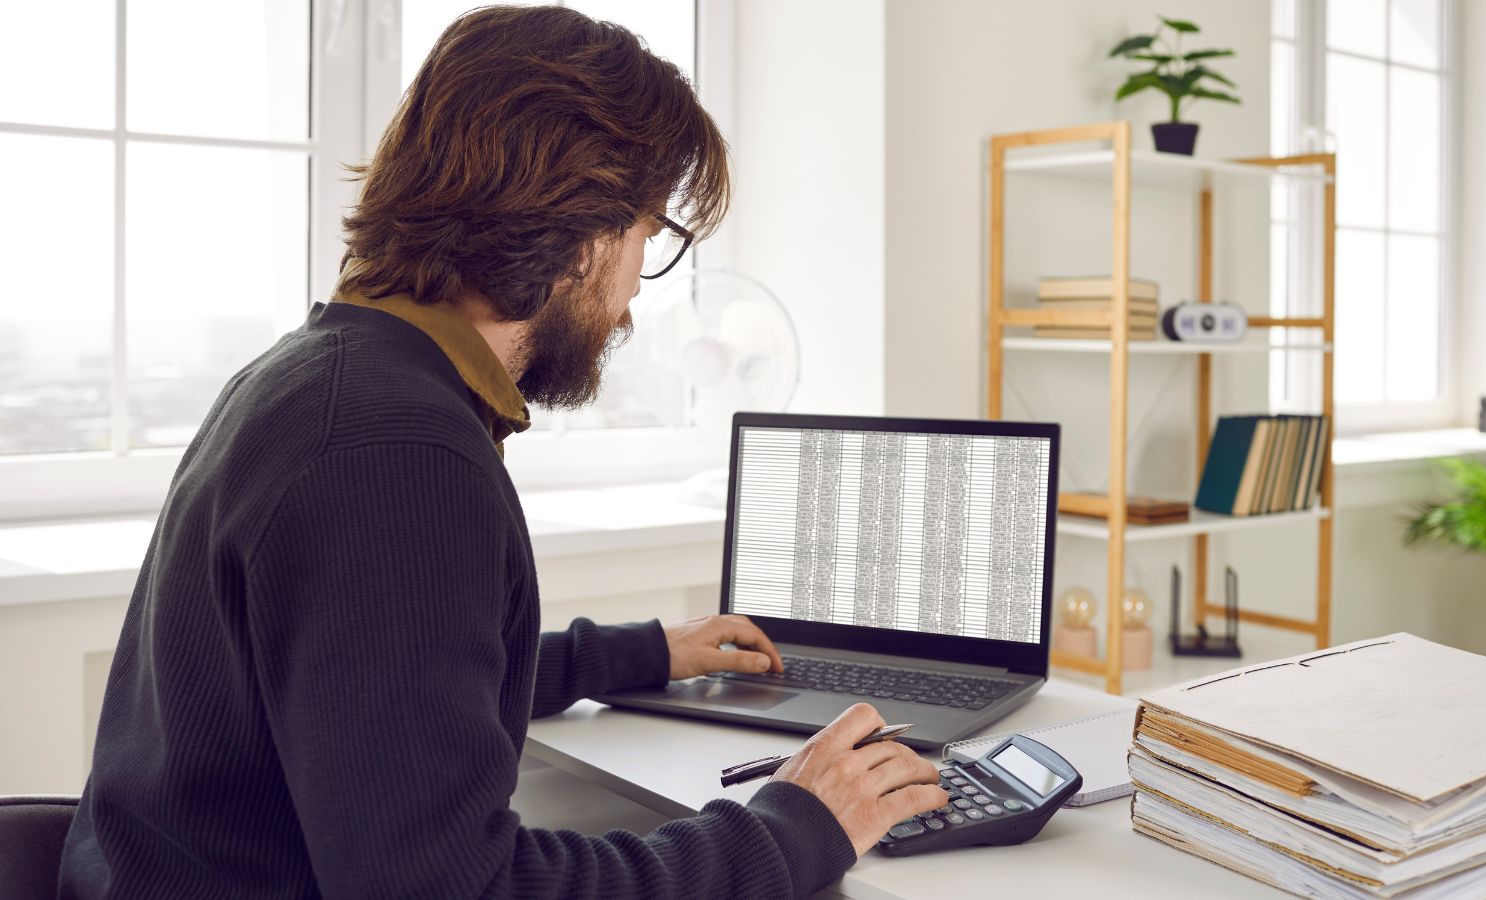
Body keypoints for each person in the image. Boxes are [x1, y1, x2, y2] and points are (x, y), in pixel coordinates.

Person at [56, 5, 944, 899]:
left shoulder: (320, 375)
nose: (635, 296)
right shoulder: (397, 457)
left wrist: (634, 656)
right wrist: (792, 829)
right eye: (647, 235)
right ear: (583, 229)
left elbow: (377, 687)